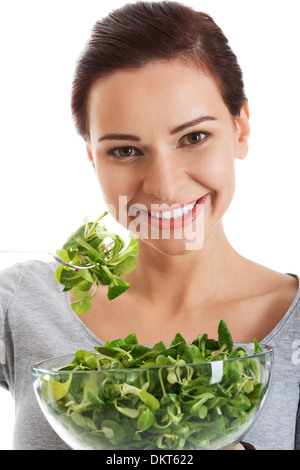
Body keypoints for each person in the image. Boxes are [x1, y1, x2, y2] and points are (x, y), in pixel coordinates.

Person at [0, 1, 299, 451]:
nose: (163, 186)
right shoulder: (25, 302)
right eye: (124, 150)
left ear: (240, 130)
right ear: (92, 159)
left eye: (194, 138)